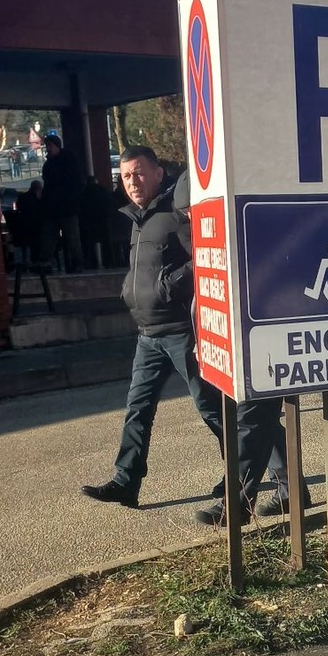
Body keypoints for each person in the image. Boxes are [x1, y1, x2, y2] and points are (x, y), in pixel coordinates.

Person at [82, 146, 284, 518]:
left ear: (158, 173)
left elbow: (204, 254)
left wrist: (168, 284)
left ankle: (266, 478)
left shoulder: (176, 213)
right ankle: (126, 481)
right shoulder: (137, 218)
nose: (133, 182)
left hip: (182, 332)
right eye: (126, 176)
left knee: (216, 411)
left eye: (139, 173)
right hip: (148, 334)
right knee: (137, 409)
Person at [39, 132, 84, 271]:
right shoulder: (69, 161)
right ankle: (75, 263)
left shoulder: (51, 164)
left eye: (49, 146)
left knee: (59, 236)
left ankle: (47, 261)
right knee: (70, 236)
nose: (48, 149)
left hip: (60, 207)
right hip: (64, 207)